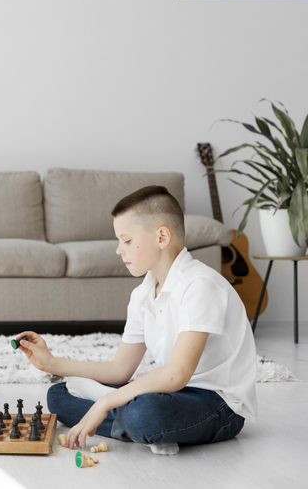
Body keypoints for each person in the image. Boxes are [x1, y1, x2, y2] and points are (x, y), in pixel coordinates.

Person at [15, 185, 257, 455]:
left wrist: (105, 402)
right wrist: (52, 363)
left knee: (145, 413)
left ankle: (135, 421)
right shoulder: (142, 295)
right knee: (58, 395)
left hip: (218, 405)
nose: (119, 250)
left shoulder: (199, 285)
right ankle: (138, 425)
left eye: (127, 240)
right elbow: (120, 370)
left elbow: (177, 373)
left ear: (162, 236)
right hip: (171, 393)